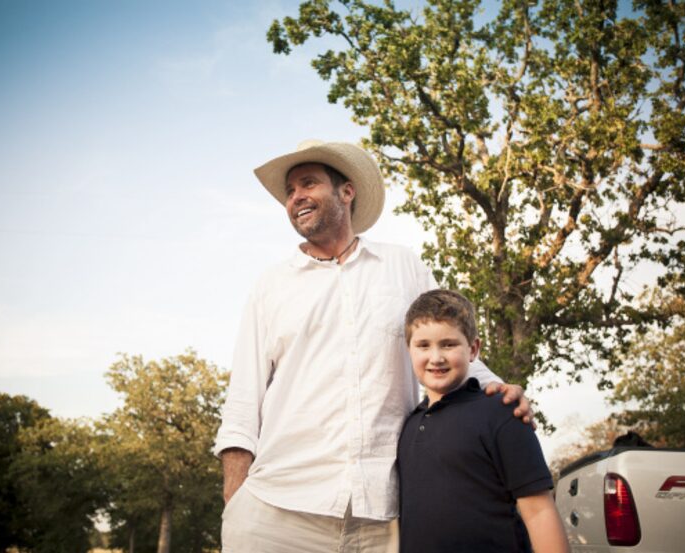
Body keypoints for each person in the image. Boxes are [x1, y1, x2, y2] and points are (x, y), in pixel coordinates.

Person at [214, 140, 533, 553]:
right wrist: (235, 502)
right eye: (290, 192)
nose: (295, 198)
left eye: (307, 184)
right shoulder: (271, 285)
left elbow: (445, 340)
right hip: (277, 511)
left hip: (381, 517)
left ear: (347, 191)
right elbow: (243, 398)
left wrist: (501, 390)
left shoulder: (403, 266)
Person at [398, 289, 568, 553]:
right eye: (423, 345)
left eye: (448, 344)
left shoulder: (502, 413)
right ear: (409, 350)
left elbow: (539, 511)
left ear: (473, 349)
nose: (436, 357)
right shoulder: (408, 425)